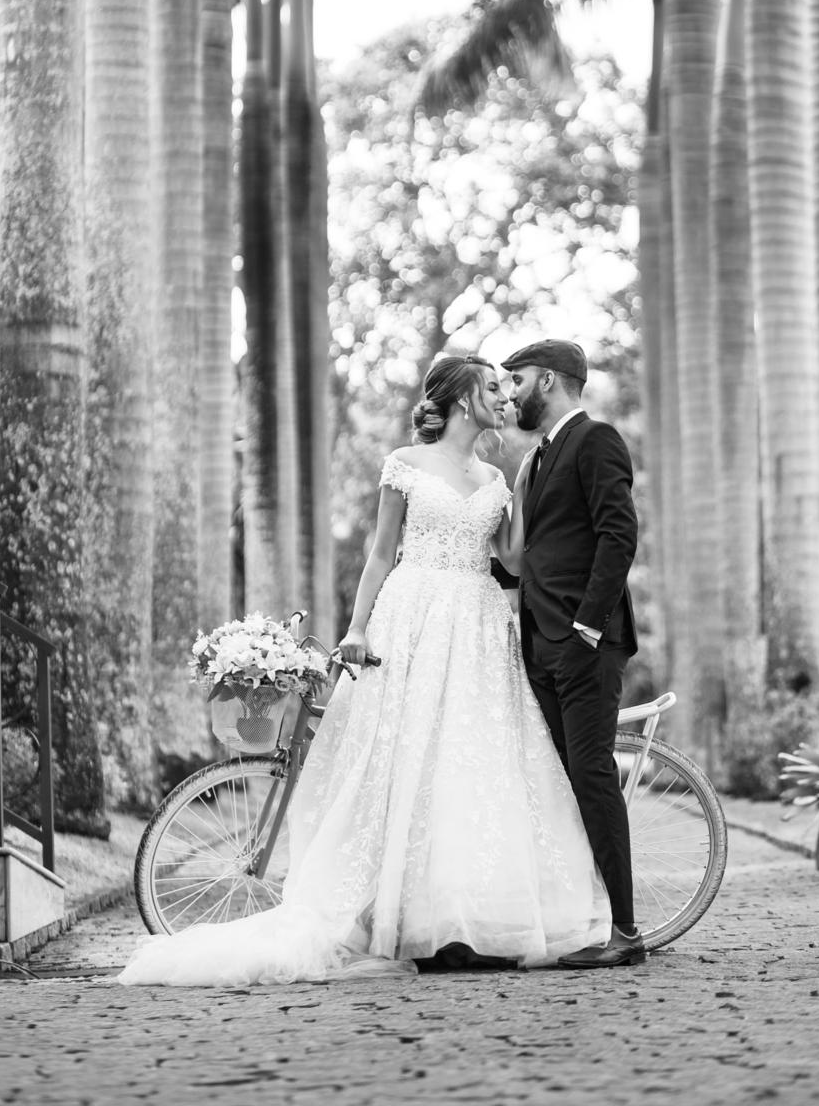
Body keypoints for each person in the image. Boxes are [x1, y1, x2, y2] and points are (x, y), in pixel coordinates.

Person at [118, 351, 609, 987]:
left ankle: (464, 922)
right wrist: (355, 629)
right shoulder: (405, 465)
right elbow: (380, 555)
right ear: (463, 398)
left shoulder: (498, 476)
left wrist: (527, 485)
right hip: (412, 615)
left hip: (480, 623)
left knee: (473, 763)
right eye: (492, 387)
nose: (504, 397)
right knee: (405, 759)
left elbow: (512, 560)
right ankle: (397, 918)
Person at [502, 337, 644, 968]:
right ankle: (586, 918)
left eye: (519, 379)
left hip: (586, 643)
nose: (511, 392)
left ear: (549, 381)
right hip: (540, 643)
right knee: (565, 781)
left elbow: (619, 534)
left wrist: (589, 624)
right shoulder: (536, 458)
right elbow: (535, 554)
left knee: (590, 774)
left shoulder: (596, 440)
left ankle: (627, 933)